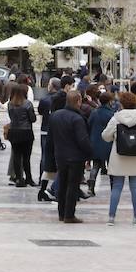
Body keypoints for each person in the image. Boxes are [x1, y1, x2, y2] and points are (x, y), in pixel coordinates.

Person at [100, 91, 136, 225]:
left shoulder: (116, 118)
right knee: (135, 187)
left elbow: (105, 136)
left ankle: (111, 217)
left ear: (122, 103)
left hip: (119, 156)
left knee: (117, 187)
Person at [48, 90, 92, 223]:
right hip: (75, 157)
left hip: (60, 156)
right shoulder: (77, 118)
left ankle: (61, 213)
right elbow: (82, 140)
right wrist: (90, 153)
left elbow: (50, 140)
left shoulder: (55, 115)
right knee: (72, 186)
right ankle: (69, 214)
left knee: (62, 184)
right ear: (78, 101)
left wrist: (49, 158)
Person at [4, 84, 38, 187]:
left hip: (14, 131)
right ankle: (28, 178)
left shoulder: (10, 104)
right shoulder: (27, 104)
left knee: (17, 156)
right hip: (26, 132)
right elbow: (33, 119)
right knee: (26, 157)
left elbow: (11, 117)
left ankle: (19, 178)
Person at [86, 90, 115, 194]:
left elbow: (88, 126)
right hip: (109, 143)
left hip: (95, 143)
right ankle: (113, 188)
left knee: (96, 165)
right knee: (111, 167)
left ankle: (91, 185)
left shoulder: (94, 113)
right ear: (109, 101)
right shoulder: (112, 114)